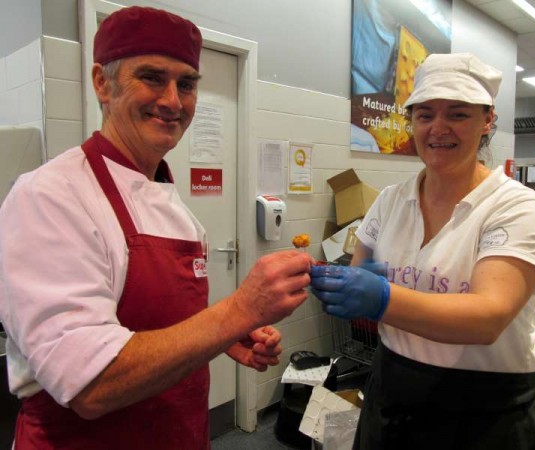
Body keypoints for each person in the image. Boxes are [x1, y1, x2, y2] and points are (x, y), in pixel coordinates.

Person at [0, 6, 312, 450]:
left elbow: (159, 323)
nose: (172, 101)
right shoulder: (51, 195)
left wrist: (223, 336)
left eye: (186, 84)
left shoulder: (168, 198)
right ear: (102, 84)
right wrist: (240, 310)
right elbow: (90, 385)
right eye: (151, 77)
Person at [311, 53, 535, 450]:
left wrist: (381, 297)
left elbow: (486, 319)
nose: (437, 129)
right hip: (392, 392)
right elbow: (360, 273)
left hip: (484, 412)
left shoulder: (515, 207)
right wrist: (331, 285)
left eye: (457, 114)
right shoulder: (391, 201)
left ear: (487, 120)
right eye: (424, 115)